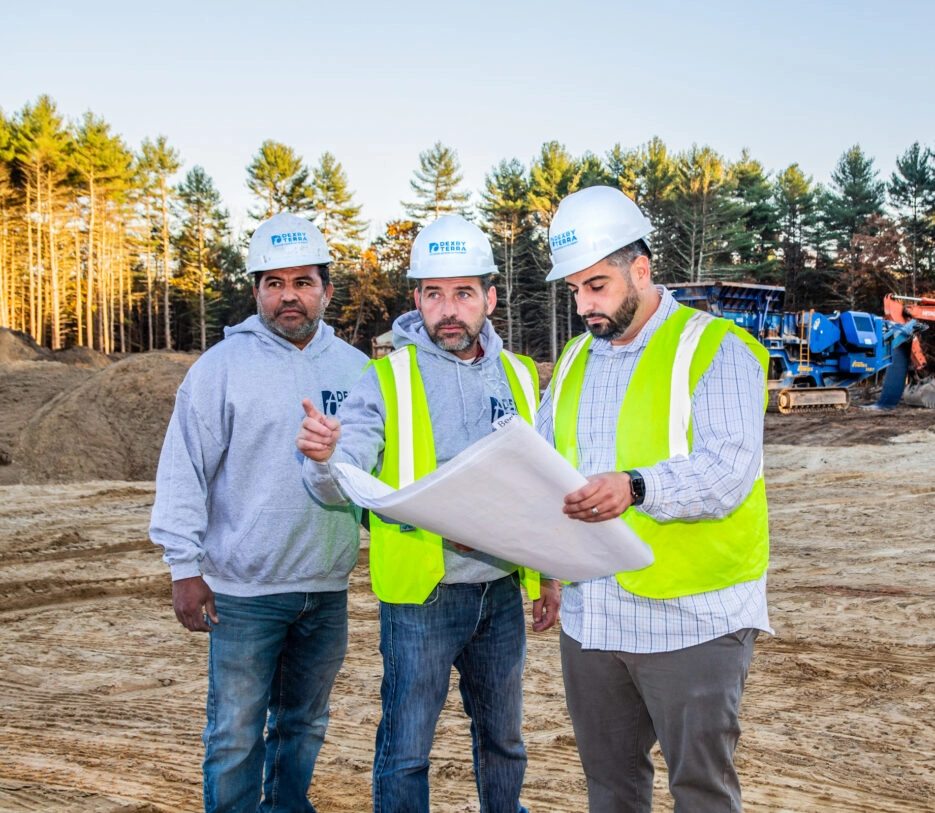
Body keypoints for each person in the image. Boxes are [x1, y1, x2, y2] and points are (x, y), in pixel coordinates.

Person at [296, 214, 561, 813]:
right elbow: (351, 468)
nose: (449, 309)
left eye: (464, 293)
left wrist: (549, 572)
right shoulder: (385, 377)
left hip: (499, 593)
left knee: (504, 740)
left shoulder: (519, 374)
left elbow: (543, 478)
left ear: (489, 298)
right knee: (406, 747)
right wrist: (325, 458)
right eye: (434, 294)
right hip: (424, 596)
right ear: (415, 299)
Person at [537, 185, 772, 813]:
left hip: (692, 620)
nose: (585, 305)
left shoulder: (717, 349)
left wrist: (635, 487)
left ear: (640, 269)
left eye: (598, 285)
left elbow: (726, 473)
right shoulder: (573, 361)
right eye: (575, 290)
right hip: (593, 619)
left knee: (700, 793)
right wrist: (544, 564)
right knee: (610, 791)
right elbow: (543, 468)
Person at [149, 212, 369, 813]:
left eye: (302, 281)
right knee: (234, 735)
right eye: (274, 282)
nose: (288, 296)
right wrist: (183, 567)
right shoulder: (220, 369)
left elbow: (371, 470)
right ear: (256, 291)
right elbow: (184, 470)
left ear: (326, 287)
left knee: (303, 725)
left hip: (325, 588)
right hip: (244, 591)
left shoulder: (355, 371)